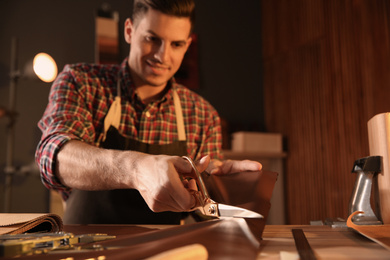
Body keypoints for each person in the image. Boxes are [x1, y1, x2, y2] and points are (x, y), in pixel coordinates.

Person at [35, 0, 262, 225]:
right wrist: (136, 169)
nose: (163, 56)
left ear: (187, 44)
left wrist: (224, 188)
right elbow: (53, 157)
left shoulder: (202, 114)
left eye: (176, 44)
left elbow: (206, 212)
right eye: (152, 39)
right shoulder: (81, 81)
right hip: (87, 247)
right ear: (129, 31)